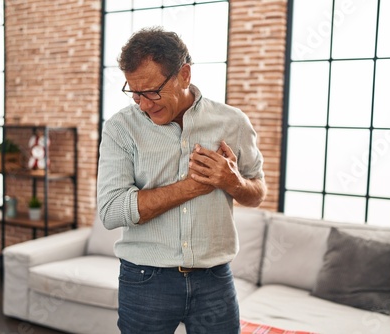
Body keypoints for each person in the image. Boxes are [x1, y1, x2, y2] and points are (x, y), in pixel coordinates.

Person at [97, 26, 267, 334]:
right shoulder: (120, 129)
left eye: (151, 92)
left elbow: (257, 192)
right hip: (144, 280)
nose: (144, 104)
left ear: (184, 75)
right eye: (134, 93)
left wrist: (233, 182)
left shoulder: (233, 122)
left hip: (215, 278)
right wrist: (190, 188)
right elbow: (111, 211)